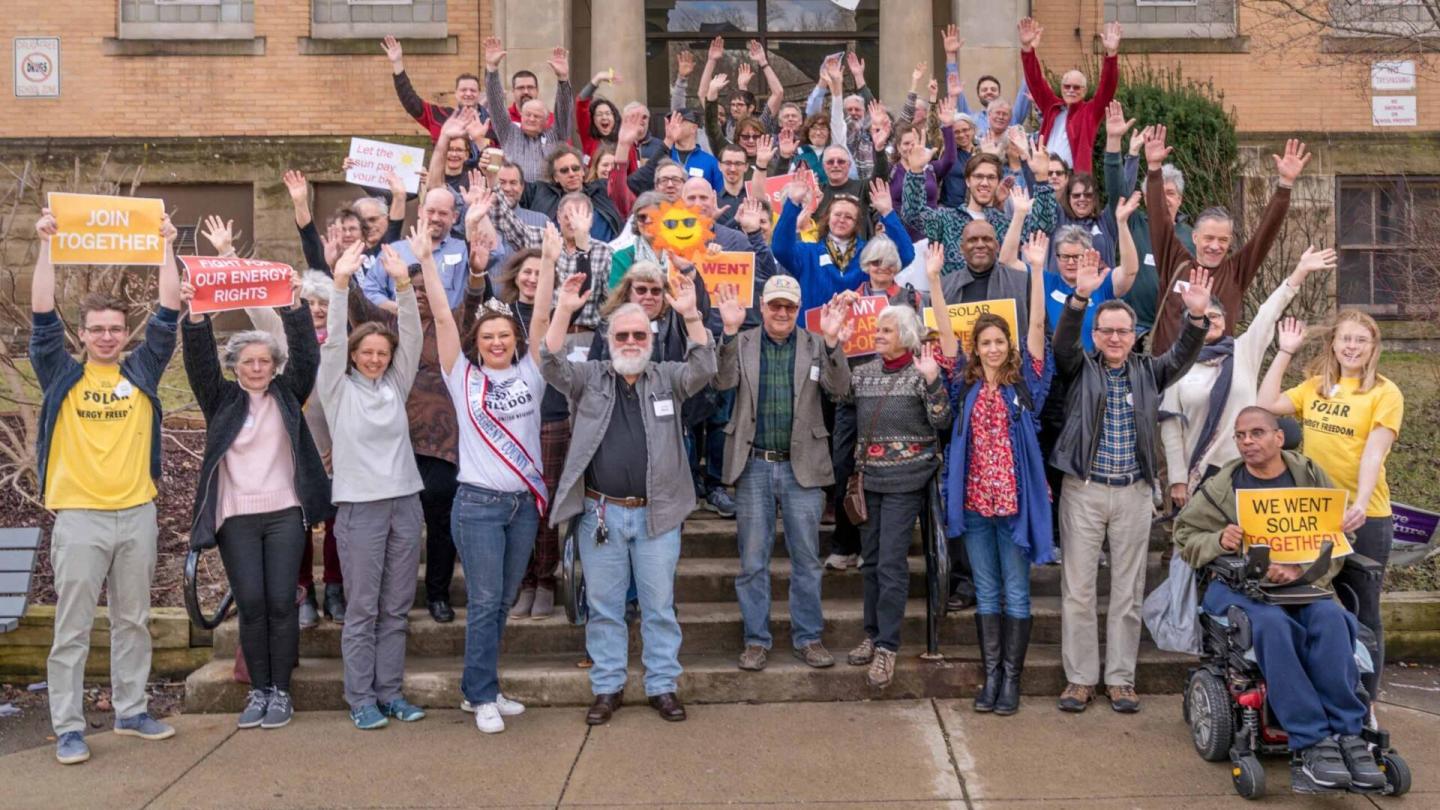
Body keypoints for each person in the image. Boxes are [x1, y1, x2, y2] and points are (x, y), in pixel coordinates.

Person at [31, 210, 181, 765]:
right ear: (83, 333)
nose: (106, 336)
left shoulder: (140, 371)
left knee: (133, 621)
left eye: (115, 328)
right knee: (71, 630)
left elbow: (168, 312)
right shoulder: (61, 375)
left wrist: (168, 245)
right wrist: (45, 245)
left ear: (124, 332)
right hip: (79, 517)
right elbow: (41, 313)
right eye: (96, 329)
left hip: (136, 514)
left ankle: (131, 709)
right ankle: (68, 727)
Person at [540, 268, 717, 726]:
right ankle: (608, 687)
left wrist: (693, 316)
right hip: (600, 515)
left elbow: (705, 367)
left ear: (651, 339)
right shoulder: (590, 377)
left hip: (657, 516)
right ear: (609, 337)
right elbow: (550, 363)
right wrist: (562, 311)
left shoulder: (666, 378)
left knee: (659, 607)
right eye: (623, 334)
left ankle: (662, 685)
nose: (632, 341)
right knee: (604, 608)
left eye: (640, 334)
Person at [1173, 407, 1381, 792]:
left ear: (1278, 437)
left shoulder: (1310, 475)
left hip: (1304, 583)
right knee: (1272, 626)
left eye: (1256, 433)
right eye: (1240, 436)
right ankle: (1312, 740)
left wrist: (1301, 568)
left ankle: (1350, 736)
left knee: (1334, 622)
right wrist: (1219, 541)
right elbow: (1185, 536)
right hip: (1240, 587)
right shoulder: (1224, 486)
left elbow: (1332, 535)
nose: (1247, 442)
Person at [1051, 254, 1212, 715]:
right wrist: (1081, 296)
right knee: (1079, 590)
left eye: (1123, 330)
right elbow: (1062, 344)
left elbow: (1183, 354)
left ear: (1134, 334)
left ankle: (1121, 679)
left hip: (1135, 492)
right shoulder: (1080, 368)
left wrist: (1196, 317)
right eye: (1107, 331)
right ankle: (1080, 679)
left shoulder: (1149, 371)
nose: (1116, 338)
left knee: (1128, 590)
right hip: (1084, 489)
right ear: (1096, 336)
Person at [424, 203, 560, 732]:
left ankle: (484, 685)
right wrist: (426, 263)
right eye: (488, 339)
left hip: (522, 505)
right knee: (484, 601)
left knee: (503, 598)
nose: (498, 343)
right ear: (477, 346)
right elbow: (440, 317)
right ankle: (479, 693)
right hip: (477, 505)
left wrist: (548, 260)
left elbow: (544, 316)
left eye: (504, 336)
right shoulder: (462, 378)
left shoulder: (532, 372)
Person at [180, 270, 329, 731]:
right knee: (252, 602)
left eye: (265, 360)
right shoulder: (221, 400)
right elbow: (198, 362)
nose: (258, 368)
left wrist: (296, 307)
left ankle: (281, 691)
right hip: (236, 518)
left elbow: (307, 356)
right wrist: (196, 314)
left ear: (274, 364)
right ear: (236, 366)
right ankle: (259, 690)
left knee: (282, 603)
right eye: (249, 361)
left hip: (284, 513)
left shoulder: (288, 393)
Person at [1257, 311, 1404, 703]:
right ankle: (1319, 692)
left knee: (1361, 609)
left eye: (1361, 340)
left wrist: (1357, 502)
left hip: (1365, 516)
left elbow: (1374, 454)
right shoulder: (1315, 388)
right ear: (1333, 345)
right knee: (1310, 606)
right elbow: (1265, 402)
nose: (1352, 347)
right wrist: (1285, 352)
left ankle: (1366, 704)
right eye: (1345, 339)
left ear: (1373, 347)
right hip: (1316, 515)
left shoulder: (1384, 394)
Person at [935, 229, 1053, 716]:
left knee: (1016, 591)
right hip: (975, 502)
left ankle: (1013, 681)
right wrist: (931, 282)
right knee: (985, 589)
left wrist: (1039, 271)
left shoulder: (1027, 384)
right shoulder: (961, 386)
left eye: (998, 340)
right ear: (975, 346)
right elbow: (943, 337)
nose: (992, 348)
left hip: (1016, 503)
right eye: (984, 342)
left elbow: (1039, 327)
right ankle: (991, 678)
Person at [316, 240, 428, 730]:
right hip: (359, 508)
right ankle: (360, 697)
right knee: (362, 609)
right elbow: (334, 343)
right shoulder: (337, 389)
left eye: (383, 353)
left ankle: (390, 694)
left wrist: (404, 282)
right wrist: (340, 284)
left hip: (405, 503)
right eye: (368, 352)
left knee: (396, 608)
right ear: (354, 355)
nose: (376, 359)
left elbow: (415, 334)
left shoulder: (395, 384)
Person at [714, 277, 853, 672]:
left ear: (798, 308)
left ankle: (808, 637)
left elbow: (841, 389)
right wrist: (726, 331)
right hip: (752, 463)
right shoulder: (741, 342)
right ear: (762, 305)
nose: (781, 313)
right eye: (775, 305)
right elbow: (721, 382)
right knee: (752, 561)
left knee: (807, 560)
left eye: (789, 307)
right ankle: (756, 640)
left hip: (803, 466)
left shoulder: (814, 343)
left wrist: (831, 343)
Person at [1161, 248, 1333, 507]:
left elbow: (1267, 313)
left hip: (1246, 467)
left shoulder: (1243, 351)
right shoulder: (1178, 364)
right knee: (1200, 542)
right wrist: (1177, 479)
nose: (1210, 321)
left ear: (1225, 320)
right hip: (1198, 471)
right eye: (1202, 317)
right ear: (1189, 323)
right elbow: (1171, 427)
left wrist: (1300, 272)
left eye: (1215, 316)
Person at [840, 306, 953, 689]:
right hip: (869, 481)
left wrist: (935, 381)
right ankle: (872, 634)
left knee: (890, 564)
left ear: (905, 336)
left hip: (907, 480)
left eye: (887, 330)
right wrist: (834, 345)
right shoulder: (863, 373)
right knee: (870, 563)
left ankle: (887, 646)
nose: (878, 334)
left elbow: (942, 421)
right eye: (878, 329)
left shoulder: (921, 374)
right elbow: (837, 396)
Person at [1143, 125, 1305, 355]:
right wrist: (1154, 168)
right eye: (1209, 238)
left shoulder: (1236, 272)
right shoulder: (1174, 261)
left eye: (1223, 240)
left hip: (1217, 375)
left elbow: (1265, 235)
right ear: (1195, 237)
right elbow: (1159, 219)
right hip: (1170, 378)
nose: (1215, 246)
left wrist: (1285, 185)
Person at [494, 248, 568, 619]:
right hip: (511, 420)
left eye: (541, 272)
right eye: (527, 272)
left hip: (551, 418)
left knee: (546, 504)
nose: (532, 278)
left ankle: (545, 580)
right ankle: (522, 581)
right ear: (515, 275)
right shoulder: (497, 316)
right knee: (516, 503)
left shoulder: (559, 316)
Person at [772, 167, 914, 312]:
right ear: (827, 218)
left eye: (848, 217)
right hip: (814, 332)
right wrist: (793, 203)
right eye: (837, 215)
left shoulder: (870, 253)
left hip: (857, 329)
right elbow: (780, 249)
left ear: (856, 223)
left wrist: (887, 212)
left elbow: (905, 256)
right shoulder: (808, 252)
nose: (842, 220)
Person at [1017, 17, 1121, 174]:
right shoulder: (1052, 107)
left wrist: (1111, 55)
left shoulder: (1090, 112)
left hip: (1073, 177)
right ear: (1061, 88)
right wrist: (1027, 49)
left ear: (1084, 91)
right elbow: (1035, 81)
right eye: (1067, 86)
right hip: (1044, 173)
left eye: (1077, 87)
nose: (1071, 90)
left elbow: (1107, 88)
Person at [360, 187, 469, 311]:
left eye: (443, 213)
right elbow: (370, 290)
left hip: (449, 327)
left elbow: (494, 259)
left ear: (454, 216)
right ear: (420, 211)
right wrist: (398, 310)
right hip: (401, 326)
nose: (435, 218)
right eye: (430, 211)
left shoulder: (464, 251)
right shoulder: (395, 250)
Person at [483, 37, 575, 183]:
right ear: (521, 117)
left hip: (546, 197)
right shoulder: (509, 133)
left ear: (546, 121)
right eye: (528, 115)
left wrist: (563, 79)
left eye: (537, 116)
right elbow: (495, 104)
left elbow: (564, 113)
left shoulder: (556, 135)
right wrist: (492, 69)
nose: (531, 119)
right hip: (516, 195)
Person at [383, 35, 487, 142]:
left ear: (479, 94)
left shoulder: (491, 123)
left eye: (473, 90)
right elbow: (411, 102)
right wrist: (397, 63)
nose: (468, 93)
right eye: (463, 90)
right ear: (456, 93)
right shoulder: (439, 116)